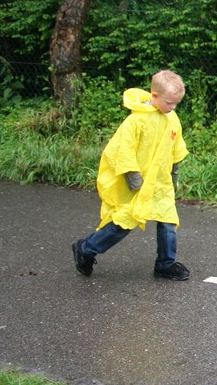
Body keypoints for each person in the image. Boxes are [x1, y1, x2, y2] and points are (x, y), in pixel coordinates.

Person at [72, 69, 190, 281]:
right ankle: (86, 249)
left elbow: (175, 150)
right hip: (137, 184)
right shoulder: (136, 121)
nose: (172, 107)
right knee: (123, 223)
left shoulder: (172, 119)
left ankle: (165, 264)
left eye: (176, 104)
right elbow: (123, 152)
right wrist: (135, 181)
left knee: (168, 222)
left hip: (160, 183)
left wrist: (173, 176)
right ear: (154, 95)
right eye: (169, 103)